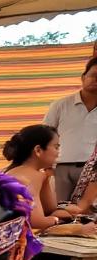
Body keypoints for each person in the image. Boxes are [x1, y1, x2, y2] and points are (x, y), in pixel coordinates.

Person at [2, 124, 94, 235]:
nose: (58, 153)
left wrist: (47, 177)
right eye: (56, 147)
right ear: (38, 150)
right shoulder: (30, 177)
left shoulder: (30, 173)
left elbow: (50, 208)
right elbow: (36, 221)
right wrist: (57, 220)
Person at [41, 55, 97, 203]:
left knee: (89, 214)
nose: (95, 80)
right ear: (83, 77)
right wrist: (47, 168)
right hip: (60, 169)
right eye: (93, 75)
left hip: (93, 172)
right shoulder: (60, 105)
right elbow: (44, 135)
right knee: (58, 210)